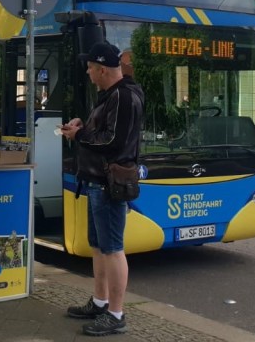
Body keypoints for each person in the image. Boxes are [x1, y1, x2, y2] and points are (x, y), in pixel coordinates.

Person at [59, 41, 145, 336]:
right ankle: (100, 301)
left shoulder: (122, 97)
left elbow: (113, 142)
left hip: (108, 184)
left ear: (102, 69)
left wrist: (80, 135)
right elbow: (104, 132)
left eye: (90, 68)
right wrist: (82, 127)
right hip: (97, 181)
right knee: (99, 247)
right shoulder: (110, 95)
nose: (87, 73)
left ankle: (116, 313)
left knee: (112, 249)